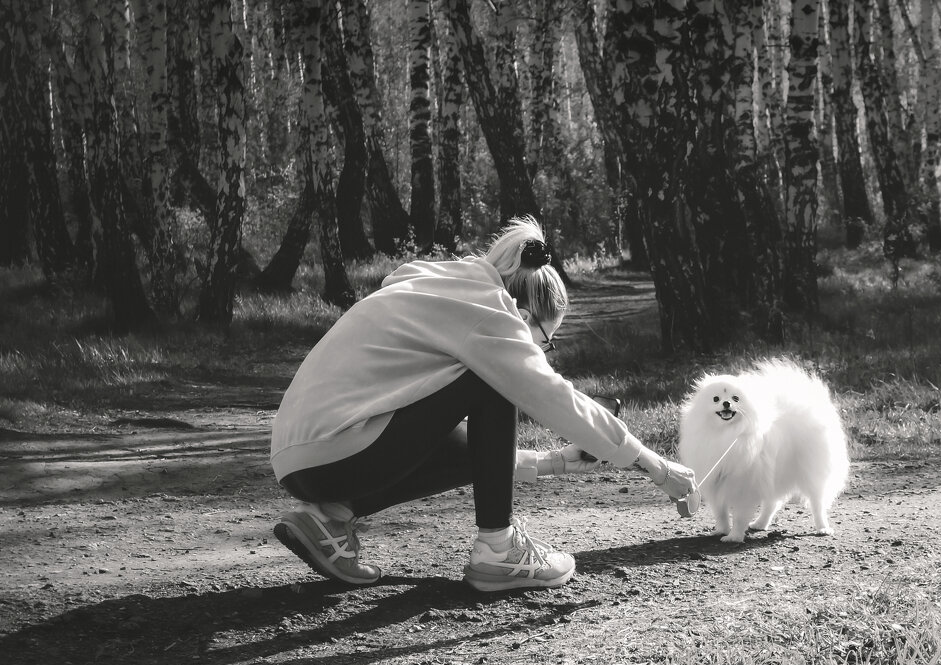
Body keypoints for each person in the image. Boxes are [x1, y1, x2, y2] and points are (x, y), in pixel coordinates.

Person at [269, 216, 697, 591]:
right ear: (525, 318)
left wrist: (552, 463)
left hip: (304, 460)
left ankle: (330, 517)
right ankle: (498, 547)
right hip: (341, 451)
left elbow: (461, 447)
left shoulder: (441, 284)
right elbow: (554, 397)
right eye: (545, 342)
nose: (543, 353)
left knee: (486, 380)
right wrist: (656, 466)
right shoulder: (491, 314)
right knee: (494, 378)